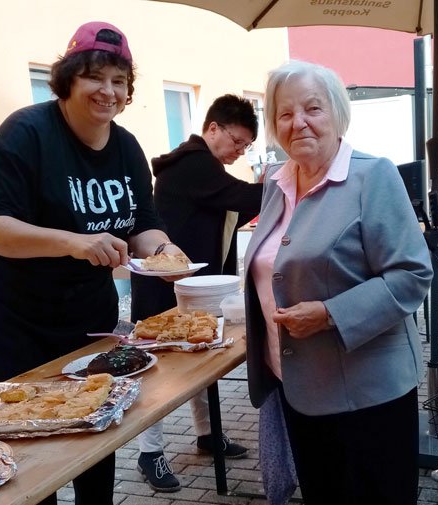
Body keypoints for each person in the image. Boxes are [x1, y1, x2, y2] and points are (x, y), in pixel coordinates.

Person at [0, 21, 190, 505]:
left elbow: (143, 224)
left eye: (119, 81)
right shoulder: (26, 133)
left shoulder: (126, 147)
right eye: (94, 77)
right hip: (10, 316)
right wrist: (74, 243)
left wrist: (164, 252)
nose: (108, 91)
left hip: (84, 311)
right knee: (25, 438)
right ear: (68, 80)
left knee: (95, 424)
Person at [244, 60, 433, 505]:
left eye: (313, 108)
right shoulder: (277, 181)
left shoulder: (373, 175)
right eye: (285, 113)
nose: (299, 122)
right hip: (297, 388)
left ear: (337, 113)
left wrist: (330, 314)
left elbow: (412, 274)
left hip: (369, 395)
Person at [132, 94, 262, 492]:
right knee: (156, 370)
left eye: (246, 146)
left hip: (195, 289)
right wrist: (289, 182)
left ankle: (208, 434)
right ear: (213, 128)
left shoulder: (206, 168)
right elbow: (242, 197)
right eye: (237, 141)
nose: (239, 151)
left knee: (203, 360)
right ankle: (149, 453)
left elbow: (235, 207)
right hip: (164, 289)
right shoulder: (193, 163)